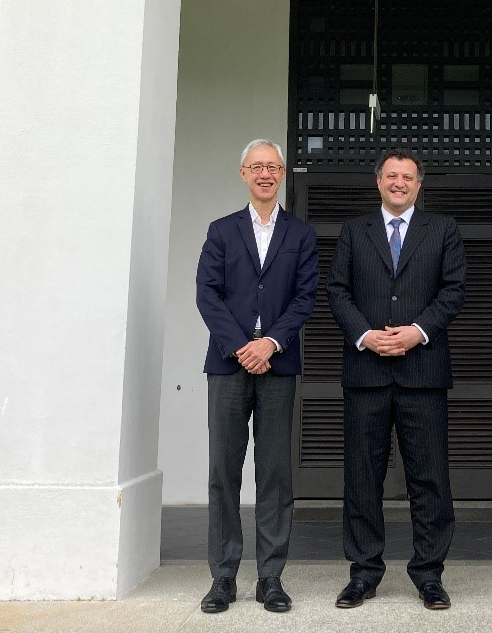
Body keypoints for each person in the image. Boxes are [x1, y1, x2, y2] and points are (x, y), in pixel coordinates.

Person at [326, 148, 466, 610]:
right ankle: (363, 573)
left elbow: (453, 290)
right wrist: (365, 335)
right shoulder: (354, 230)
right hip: (366, 372)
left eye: (408, 177)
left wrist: (417, 332)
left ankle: (429, 574)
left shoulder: (443, 230)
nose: (399, 182)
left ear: (419, 185)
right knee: (362, 478)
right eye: (392, 175)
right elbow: (337, 290)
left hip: (422, 372)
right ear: (378, 182)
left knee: (429, 479)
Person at [195, 139, 319, 614]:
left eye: (273, 166)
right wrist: (241, 347)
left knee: (274, 474)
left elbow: (304, 298)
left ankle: (271, 576)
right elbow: (207, 295)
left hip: (279, 364)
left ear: (283, 173)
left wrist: (271, 344)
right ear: (243, 173)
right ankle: (223, 575)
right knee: (223, 472)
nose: (265, 174)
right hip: (228, 365)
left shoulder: (300, 234)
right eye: (257, 166)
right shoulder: (222, 231)